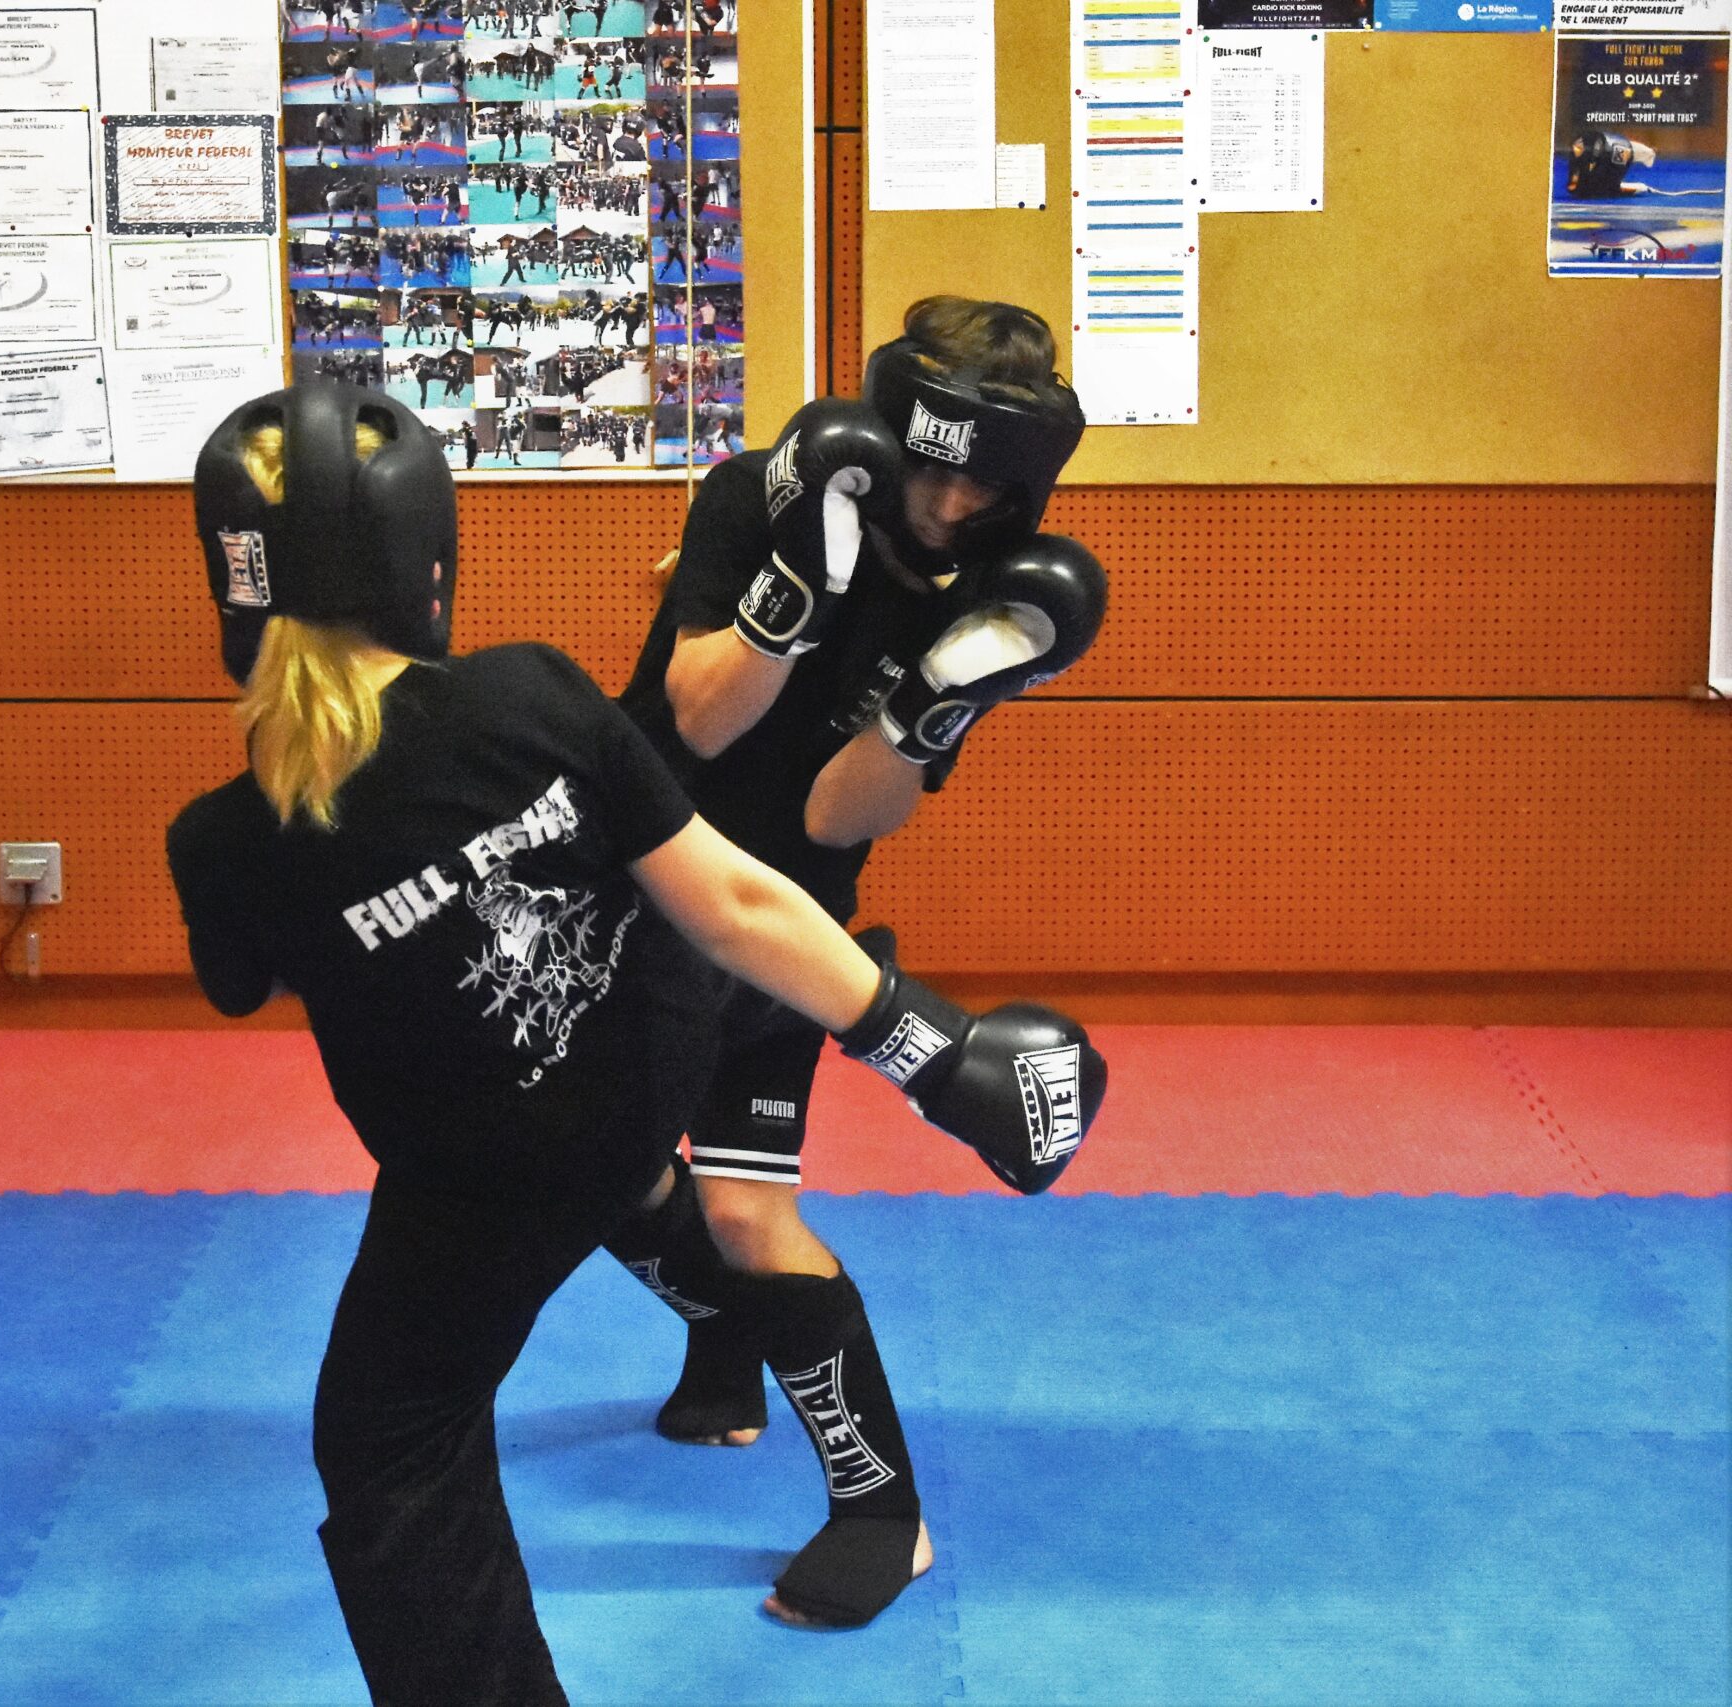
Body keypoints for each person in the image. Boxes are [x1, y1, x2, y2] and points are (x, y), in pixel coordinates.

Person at [166, 380, 1105, 1702]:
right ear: (426, 561)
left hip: (491, 1173)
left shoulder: (221, 844)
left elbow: (247, 985)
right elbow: (725, 886)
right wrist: (928, 1050)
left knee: (394, 1440)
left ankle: (872, 1506)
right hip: (659, 1025)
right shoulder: (534, 691)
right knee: (657, 1183)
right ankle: (735, 1346)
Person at [601, 296, 1107, 1625]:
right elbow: (693, 728)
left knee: (751, 1208)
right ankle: (725, 1331)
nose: (945, 504)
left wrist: (936, 697)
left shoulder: (1002, 599)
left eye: (983, 486)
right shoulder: (748, 502)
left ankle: (883, 1510)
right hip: (634, 868)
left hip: (785, 919)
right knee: (595, 1173)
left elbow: (839, 812)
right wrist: (800, 594)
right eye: (927, 465)